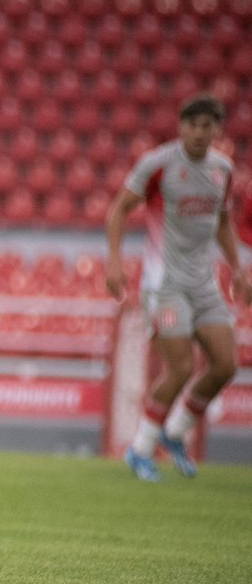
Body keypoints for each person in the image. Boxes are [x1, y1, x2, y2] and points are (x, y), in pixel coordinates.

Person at [105, 94, 251, 482]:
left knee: (225, 365)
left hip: (204, 283)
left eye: (209, 126)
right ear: (181, 126)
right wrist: (116, 261)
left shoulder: (222, 169)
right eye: (194, 125)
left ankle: (174, 433)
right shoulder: (158, 165)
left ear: (218, 130)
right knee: (181, 366)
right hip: (165, 282)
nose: (201, 133)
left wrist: (238, 269)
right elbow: (119, 209)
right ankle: (139, 450)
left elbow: (223, 223)